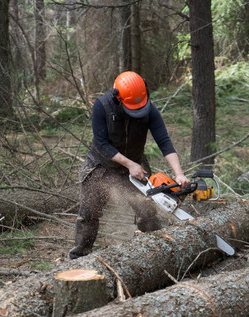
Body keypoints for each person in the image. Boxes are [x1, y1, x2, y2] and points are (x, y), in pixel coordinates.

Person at [69, 71, 189, 259]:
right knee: (89, 211)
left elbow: (164, 140)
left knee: (147, 209)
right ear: (118, 97)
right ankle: (80, 257)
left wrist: (179, 173)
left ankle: (158, 252)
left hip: (136, 163)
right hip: (101, 164)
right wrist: (129, 164)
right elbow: (101, 144)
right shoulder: (102, 106)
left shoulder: (149, 109)